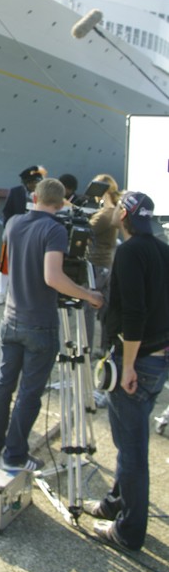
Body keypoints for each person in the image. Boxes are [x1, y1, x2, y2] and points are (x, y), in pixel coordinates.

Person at [0, 177, 104, 472]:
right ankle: (15, 455)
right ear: (62, 203)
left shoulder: (13, 224)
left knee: (3, 386)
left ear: (34, 197)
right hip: (40, 324)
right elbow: (53, 277)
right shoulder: (55, 230)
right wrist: (89, 295)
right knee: (29, 393)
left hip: (10, 319)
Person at [86, 191, 169, 552]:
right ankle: (115, 503)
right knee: (128, 442)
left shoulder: (130, 252)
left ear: (124, 216)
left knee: (132, 450)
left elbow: (134, 312)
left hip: (137, 360)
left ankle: (129, 531)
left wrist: (130, 365)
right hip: (159, 358)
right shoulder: (163, 249)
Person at [0, 164, 47, 305]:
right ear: (26, 182)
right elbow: (7, 212)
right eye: (33, 182)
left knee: (29, 264)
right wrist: (8, 229)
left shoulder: (43, 195)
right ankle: (1, 292)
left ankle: (22, 294)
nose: (35, 185)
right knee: (5, 264)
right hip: (15, 232)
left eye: (37, 182)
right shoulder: (15, 192)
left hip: (34, 234)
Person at [84, 174, 121, 355]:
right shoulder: (112, 211)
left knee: (88, 308)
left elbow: (87, 230)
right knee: (105, 309)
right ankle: (105, 348)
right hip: (106, 264)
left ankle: (87, 348)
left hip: (97, 265)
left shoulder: (106, 213)